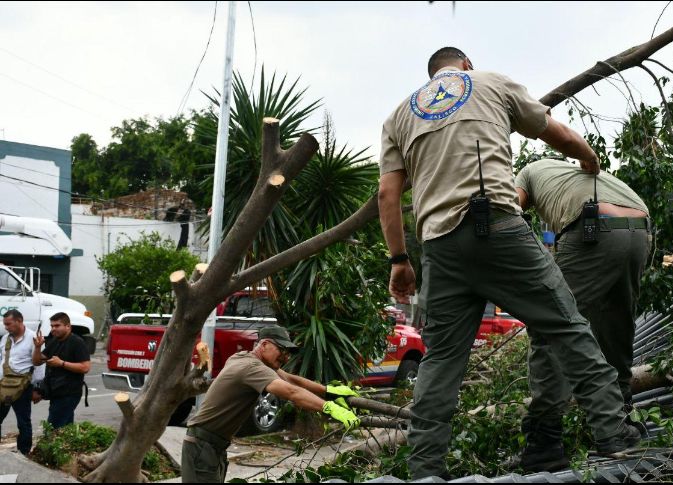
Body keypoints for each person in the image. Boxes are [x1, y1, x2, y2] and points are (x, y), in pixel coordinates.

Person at [378, 46, 640, 479]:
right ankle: (613, 433)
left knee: (440, 359)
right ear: (466, 64)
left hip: (439, 248)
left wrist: (399, 260)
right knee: (566, 325)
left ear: (431, 76)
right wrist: (589, 158)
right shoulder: (491, 82)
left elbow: (387, 194)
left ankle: (424, 468)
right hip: (498, 229)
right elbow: (559, 135)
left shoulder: (399, 116)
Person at [512, 158, 651, 471]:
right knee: (615, 325)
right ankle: (621, 421)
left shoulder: (527, 174)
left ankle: (544, 441)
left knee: (552, 328)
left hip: (591, 228)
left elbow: (510, 212)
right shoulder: (569, 173)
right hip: (640, 229)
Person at [181, 325, 361, 483]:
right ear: (265, 344)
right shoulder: (251, 368)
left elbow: (291, 379)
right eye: (281, 350)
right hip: (202, 446)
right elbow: (291, 392)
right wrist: (329, 408)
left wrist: (328, 391)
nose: (285, 357)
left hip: (212, 446)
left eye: (287, 352)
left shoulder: (243, 357)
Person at [32, 312, 91, 429]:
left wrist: (62, 363)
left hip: (69, 393)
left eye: (57, 325)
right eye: (52, 326)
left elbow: (85, 367)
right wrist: (37, 347)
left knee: (52, 429)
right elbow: (37, 362)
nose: (53, 329)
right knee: (66, 430)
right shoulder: (55, 341)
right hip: (56, 392)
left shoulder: (77, 342)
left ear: (68, 326)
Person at [0, 310, 45, 455]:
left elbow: (40, 365)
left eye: (8, 324)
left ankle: (24, 453)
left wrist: (37, 388)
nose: (6, 327)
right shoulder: (5, 338)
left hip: (23, 387)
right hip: (3, 385)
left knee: (23, 422)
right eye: (5, 324)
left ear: (19, 321)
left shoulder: (34, 338)